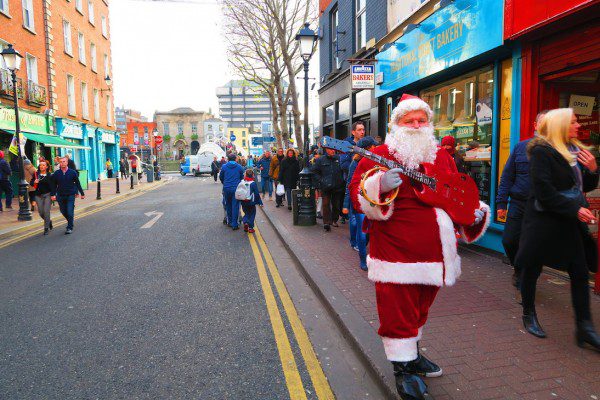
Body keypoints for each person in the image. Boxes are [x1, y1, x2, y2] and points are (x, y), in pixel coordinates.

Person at [349, 94, 489, 399]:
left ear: (429, 124)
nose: (415, 125)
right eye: (408, 120)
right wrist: (381, 185)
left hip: (436, 253)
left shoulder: (440, 155)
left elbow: (454, 193)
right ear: (396, 124)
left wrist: (472, 211)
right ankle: (403, 369)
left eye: (421, 120)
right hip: (395, 252)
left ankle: (410, 352)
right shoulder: (381, 153)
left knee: (420, 308)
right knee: (398, 309)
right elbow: (357, 192)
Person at [516, 108, 600, 351]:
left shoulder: (576, 150)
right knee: (532, 268)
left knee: (580, 271)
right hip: (543, 220)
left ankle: (585, 328)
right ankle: (529, 313)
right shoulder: (542, 151)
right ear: (561, 125)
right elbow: (544, 191)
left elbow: (585, 185)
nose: (578, 126)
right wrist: (574, 209)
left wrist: (593, 169)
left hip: (568, 221)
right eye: (573, 122)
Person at [496, 110, 547, 288]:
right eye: (543, 122)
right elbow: (508, 176)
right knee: (508, 240)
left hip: (543, 208)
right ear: (535, 125)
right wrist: (501, 202)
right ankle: (519, 269)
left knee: (537, 244)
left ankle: (529, 276)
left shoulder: (558, 150)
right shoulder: (520, 148)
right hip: (519, 204)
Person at [343, 136, 377, 271]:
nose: (375, 148)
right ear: (367, 149)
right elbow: (349, 184)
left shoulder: (376, 161)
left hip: (373, 202)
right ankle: (363, 260)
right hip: (359, 202)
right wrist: (346, 205)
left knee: (369, 234)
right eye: (373, 146)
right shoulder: (355, 164)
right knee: (362, 234)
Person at [312, 147, 345, 231]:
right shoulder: (321, 160)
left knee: (336, 205)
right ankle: (326, 222)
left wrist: (342, 180)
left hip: (337, 186)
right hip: (325, 186)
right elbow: (315, 171)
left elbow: (344, 170)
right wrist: (321, 180)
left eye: (334, 149)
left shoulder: (339, 158)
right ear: (326, 150)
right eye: (330, 149)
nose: (333, 150)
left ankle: (334, 220)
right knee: (326, 204)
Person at [51, 156, 85, 234]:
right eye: (61, 162)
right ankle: (71, 221)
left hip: (70, 195)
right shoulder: (57, 173)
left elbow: (77, 183)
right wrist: (53, 194)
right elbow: (54, 185)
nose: (62, 163)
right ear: (59, 163)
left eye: (64, 161)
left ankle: (69, 227)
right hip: (60, 195)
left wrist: (81, 193)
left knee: (69, 212)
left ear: (67, 163)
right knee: (63, 211)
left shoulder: (72, 172)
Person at [219, 153, 244, 230]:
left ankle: (229, 222)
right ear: (235, 159)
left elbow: (221, 177)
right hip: (236, 189)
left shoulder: (224, 167)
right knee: (235, 206)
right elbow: (241, 177)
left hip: (226, 188)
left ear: (228, 159)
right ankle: (234, 224)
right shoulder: (239, 167)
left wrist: (225, 183)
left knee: (228, 205)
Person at [30, 160, 55, 235]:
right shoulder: (36, 174)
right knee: (41, 212)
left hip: (47, 194)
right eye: (40, 165)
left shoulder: (50, 175)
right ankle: (49, 221)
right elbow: (31, 182)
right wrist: (34, 182)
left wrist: (53, 195)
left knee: (46, 211)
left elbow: (53, 187)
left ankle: (46, 228)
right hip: (38, 195)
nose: (42, 166)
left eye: (43, 165)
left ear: (47, 167)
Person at [240, 169, 263, 233]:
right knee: (252, 214)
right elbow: (256, 194)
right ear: (253, 175)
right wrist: (260, 202)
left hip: (244, 202)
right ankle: (250, 228)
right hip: (251, 202)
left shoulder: (242, 182)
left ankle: (245, 222)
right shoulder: (253, 183)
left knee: (246, 213)